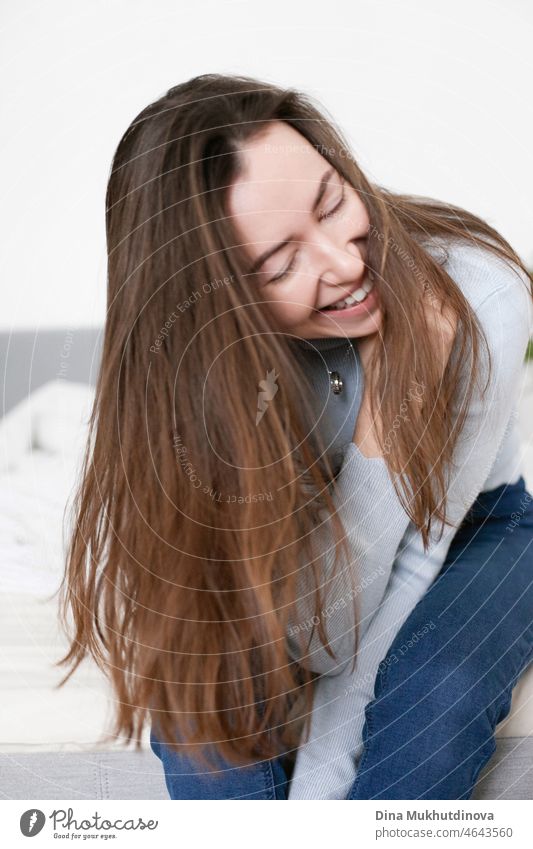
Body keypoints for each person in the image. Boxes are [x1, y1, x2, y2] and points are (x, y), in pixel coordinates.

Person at [56, 73, 533, 800]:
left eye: (333, 201)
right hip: (294, 535)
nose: (345, 264)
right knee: (199, 705)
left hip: (477, 527)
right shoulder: (200, 367)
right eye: (280, 264)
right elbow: (291, 626)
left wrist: (384, 433)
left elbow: (368, 619)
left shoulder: (476, 296)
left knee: (433, 691)